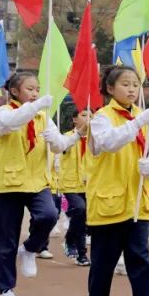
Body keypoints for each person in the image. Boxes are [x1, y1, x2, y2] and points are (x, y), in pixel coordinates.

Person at [83, 65, 149, 296]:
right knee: (104, 262)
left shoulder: (143, 117)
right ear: (110, 88)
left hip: (138, 201)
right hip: (109, 202)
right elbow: (109, 143)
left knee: (140, 260)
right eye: (125, 84)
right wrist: (137, 123)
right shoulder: (101, 118)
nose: (132, 89)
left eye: (135, 84)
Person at [0, 72, 76, 296]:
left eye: (37, 89)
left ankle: (29, 248)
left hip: (37, 181)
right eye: (30, 89)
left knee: (48, 215)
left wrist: (56, 139)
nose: (35, 93)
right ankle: (5, 291)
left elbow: (59, 146)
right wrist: (37, 105)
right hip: (8, 183)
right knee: (5, 239)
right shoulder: (4, 112)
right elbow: (10, 123)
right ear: (15, 92)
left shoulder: (42, 116)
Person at [56, 109, 92, 266]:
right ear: (74, 120)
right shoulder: (66, 137)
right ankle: (78, 249)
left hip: (89, 184)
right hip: (71, 183)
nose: (88, 118)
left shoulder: (95, 138)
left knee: (84, 218)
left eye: (91, 115)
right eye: (84, 115)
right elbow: (62, 149)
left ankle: (78, 250)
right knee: (80, 209)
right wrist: (78, 135)